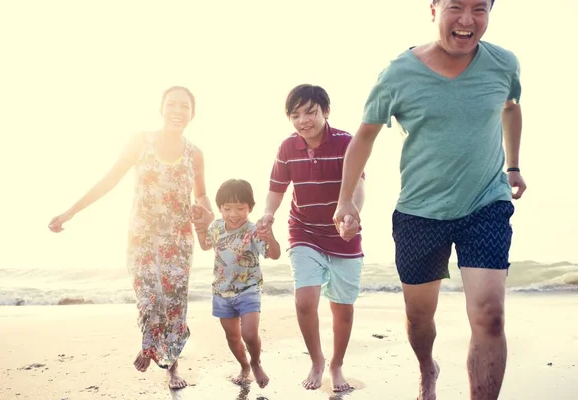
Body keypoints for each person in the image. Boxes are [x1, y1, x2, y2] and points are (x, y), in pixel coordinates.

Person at [333, 1, 527, 399]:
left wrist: (513, 165)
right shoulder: (398, 74)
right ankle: (427, 367)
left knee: (489, 316)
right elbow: (364, 137)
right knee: (420, 320)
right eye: (456, 6)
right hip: (420, 213)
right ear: (434, 9)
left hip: (486, 205)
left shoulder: (504, 64)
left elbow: (511, 107)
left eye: (480, 9)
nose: (468, 20)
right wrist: (345, 201)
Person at [48, 86, 214, 390]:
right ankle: (150, 342)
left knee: (175, 306)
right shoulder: (141, 142)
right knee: (150, 298)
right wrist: (70, 212)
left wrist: (208, 217)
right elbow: (110, 178)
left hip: (179, 241)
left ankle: (171, 367)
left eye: (185, 106)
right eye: (172, 104)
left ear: (193, 113)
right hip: (142, 237)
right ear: (161, 108)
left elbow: (201, 194)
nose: (178, 111)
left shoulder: (195, 153)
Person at [257, 84, 366, 393]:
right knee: (305, 301)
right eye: (295, 115)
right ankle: (317, 361)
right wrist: (268, 214)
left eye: (310, 112)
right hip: (303, 230)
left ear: (325, 111)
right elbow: (277, 188)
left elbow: (358, 185)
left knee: (342, 307)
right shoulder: (287, 147)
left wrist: (352, 214)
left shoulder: (347, 142)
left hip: (343, 233)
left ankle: (336, 364)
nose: (303, 120)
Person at [192, 179, 280, 389]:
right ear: (220, 208)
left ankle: (256, 362)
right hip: (221, 292)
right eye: (227, 208)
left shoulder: (253, 230)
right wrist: (200, 227)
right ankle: (244, 366)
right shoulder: (217, 226)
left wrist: (270, 236)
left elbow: (274, 254)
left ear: (250, 207)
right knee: (232, 338)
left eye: (240, 208)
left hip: (249, 289)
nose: (233, 214)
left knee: (249, 334)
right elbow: (205, 245)